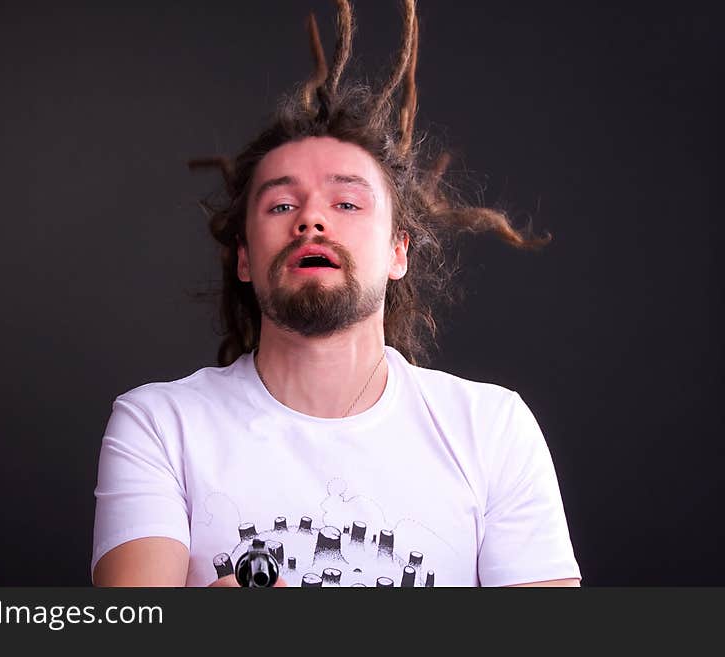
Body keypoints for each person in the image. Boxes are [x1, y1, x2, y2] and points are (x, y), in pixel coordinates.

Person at [91, 0, 581, 587]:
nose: (311, 221)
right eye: (280, 204)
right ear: (244, 257)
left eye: (347, 203)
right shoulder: (159, 424)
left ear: (399, 251)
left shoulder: (494, 429)